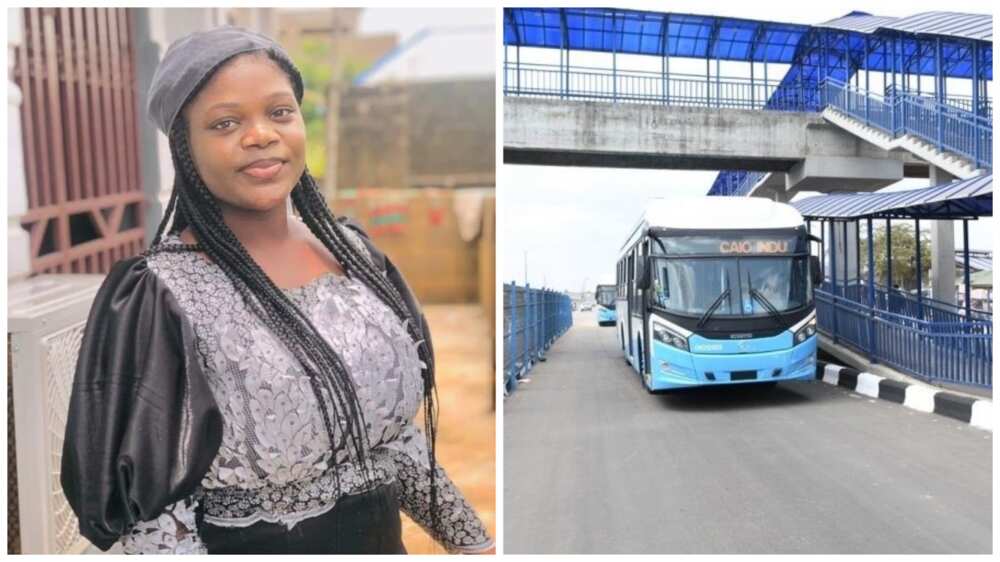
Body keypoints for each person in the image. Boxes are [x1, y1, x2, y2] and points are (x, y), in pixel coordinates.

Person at [59, 26, 494, 555]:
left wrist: (474, 543)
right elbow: (152, 525)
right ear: (184, 146)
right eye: (225, 123)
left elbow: (395, 442)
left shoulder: (355, 254)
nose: (261, 134)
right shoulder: (161, 295)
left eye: (280, 112)